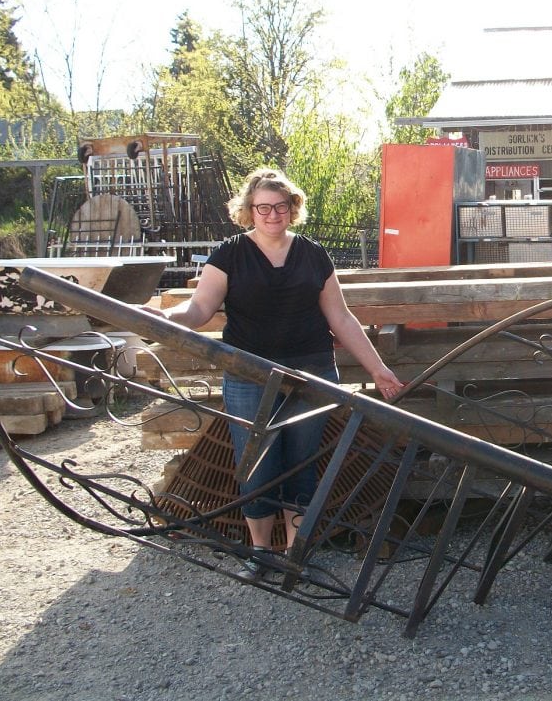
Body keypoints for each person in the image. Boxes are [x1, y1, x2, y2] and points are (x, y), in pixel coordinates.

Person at [144, 167, 403, 580]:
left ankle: (294, 552)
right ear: (249, 210)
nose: (272, 214)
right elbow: (199, 308)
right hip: (249, 374)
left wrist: (379, 369)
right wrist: (166, 317)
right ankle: (260, 553)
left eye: (280, 206)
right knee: (257, 464)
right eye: (263, 207)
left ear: (292, 209)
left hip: (312, 373)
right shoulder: (229, 254)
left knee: (303, 462)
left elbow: (340, 316)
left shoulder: (313, 255)